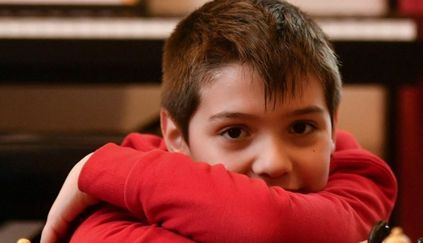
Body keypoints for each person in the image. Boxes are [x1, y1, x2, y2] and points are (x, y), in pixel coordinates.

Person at [41, 0, 397, 242]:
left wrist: (101, 169)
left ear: (333, 126)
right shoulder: (117, 190)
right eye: (235, 131)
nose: (274, 162)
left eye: (301, 127)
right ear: (176, 137)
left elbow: (273, 225)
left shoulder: (361, 177)